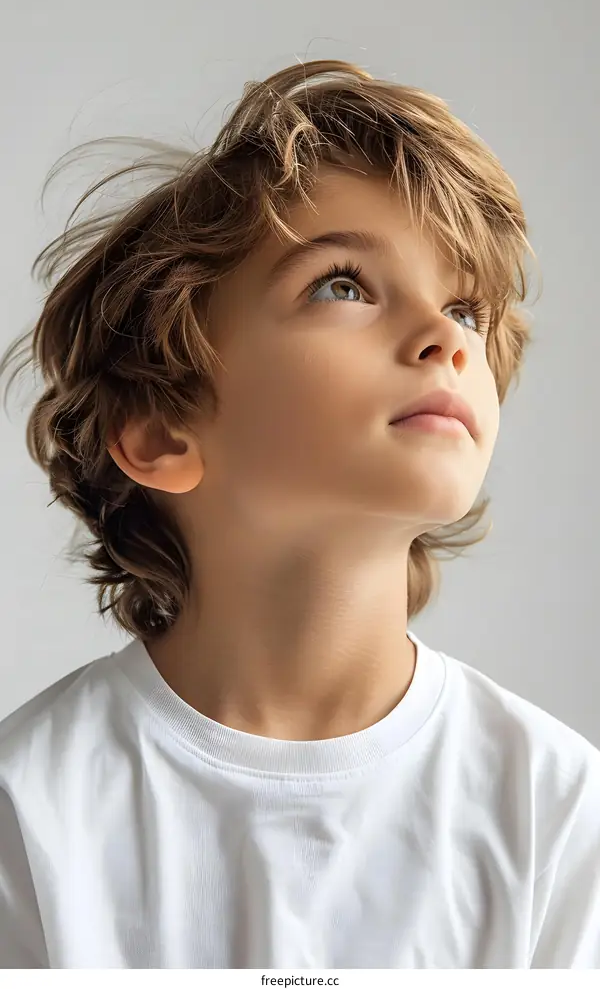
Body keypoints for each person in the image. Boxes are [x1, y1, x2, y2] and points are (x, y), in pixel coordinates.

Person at [0, 59, 598, 971]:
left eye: (466, 308)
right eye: (345, 284)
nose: (446, 337)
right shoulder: (27, 809)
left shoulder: (555, 808)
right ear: (162, 428)